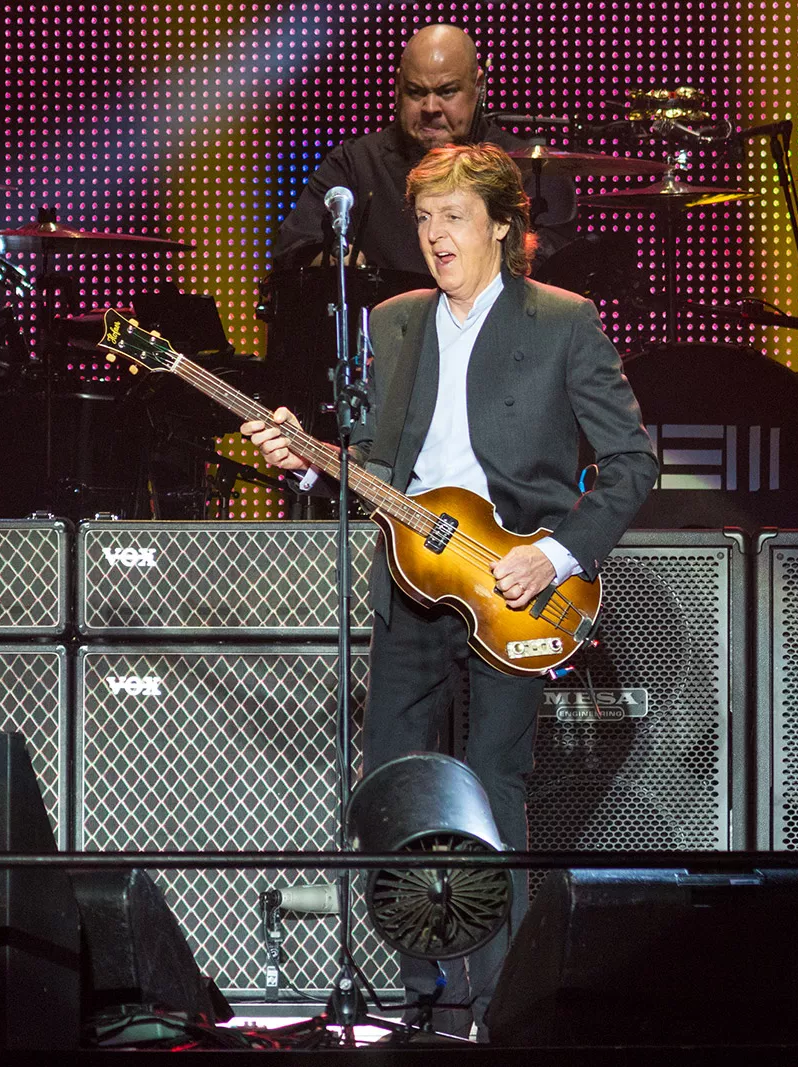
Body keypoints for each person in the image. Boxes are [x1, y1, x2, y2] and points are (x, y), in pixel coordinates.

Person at [244, 142, 655, 1040]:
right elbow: (374, 463)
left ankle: (504, 1004)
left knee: (495, 786)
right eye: (426, 219)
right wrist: (306, 463)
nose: (437, 236)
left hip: (516, 587)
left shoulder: (563, 320)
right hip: (412, 584)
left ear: (503, 225)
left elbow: (633, 462)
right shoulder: (394, 321)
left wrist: (556, 554)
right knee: (397, 785)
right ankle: (421, 997)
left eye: (456, 217)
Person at [273, 23, 573, 273]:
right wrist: (333, 261)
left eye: (447, 92)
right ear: (397, 87)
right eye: (416, 92)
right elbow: (295, 248)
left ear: (478, 86)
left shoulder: (529, 169)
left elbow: (555, 269)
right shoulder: (355, 163)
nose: (430, 107)